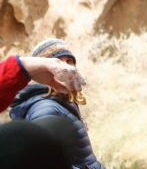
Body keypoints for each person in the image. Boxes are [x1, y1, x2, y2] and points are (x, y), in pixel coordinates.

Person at [9, 39, 104, 169]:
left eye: (69, 61)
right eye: (59, 62)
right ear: (42, 72)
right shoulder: (45, 108)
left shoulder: (62, 101)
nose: (67, 67)